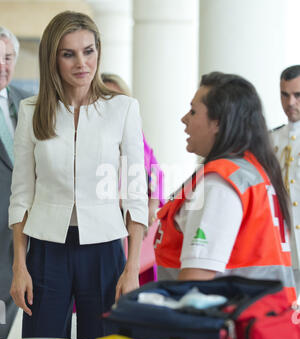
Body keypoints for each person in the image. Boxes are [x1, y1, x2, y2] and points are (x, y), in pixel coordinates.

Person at [8, 11, 148, 339]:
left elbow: (135, 195)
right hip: (45, 250)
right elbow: (21, 194)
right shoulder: (31, 110)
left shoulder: (123, 109)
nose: (81, 63)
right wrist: (19, 266)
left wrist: (132, 269)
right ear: (53, 59)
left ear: (99, 51)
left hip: (105, 251)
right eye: (68, 54)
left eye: (89, 51)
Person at [154, 72, 296, 305]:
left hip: (223, 329)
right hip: (259, 324)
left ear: (217, 123)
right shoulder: (253, 172)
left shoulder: (220, 183)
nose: (184, 119)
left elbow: (195, 281)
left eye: (193, 111)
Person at [101, 73, 164, 285]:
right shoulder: (91, 138)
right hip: (105, 223)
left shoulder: (136, 135)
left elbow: (155, 171)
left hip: (135, 222)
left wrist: (152, 205)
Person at [0, 27, 31, 339]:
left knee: (9, 300)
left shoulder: (28, 104)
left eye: (7, 58)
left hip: (23, 225)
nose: (2, 65)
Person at [271, 65, 300, 295]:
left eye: (297, 95)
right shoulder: (271, 139)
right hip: (282, 246)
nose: (290, 102)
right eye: (285, 94)